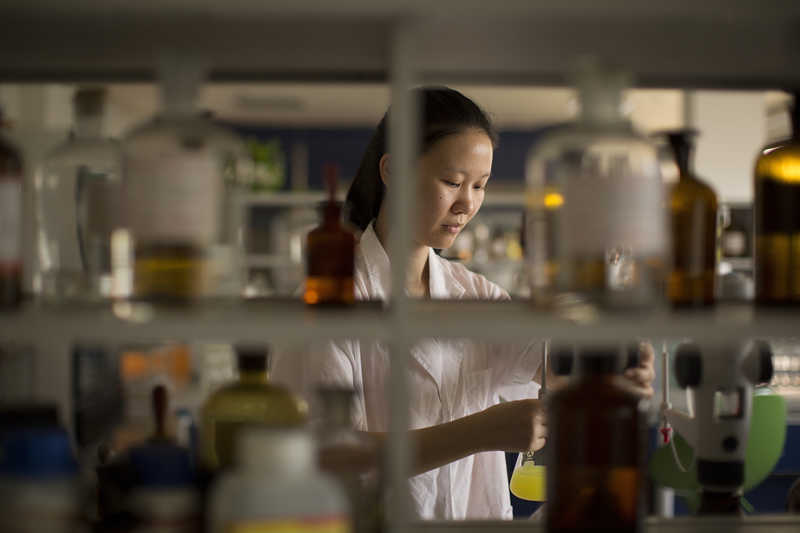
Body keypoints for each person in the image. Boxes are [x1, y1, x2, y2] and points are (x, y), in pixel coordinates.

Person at [273, 86, 655, 520]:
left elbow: (560, 362)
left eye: (480, 186)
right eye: (452, 182)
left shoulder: (478, 298)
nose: (467, 204)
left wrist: (623, 363)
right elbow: (323, 461)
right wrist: (480, 432)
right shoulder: (334, 303)